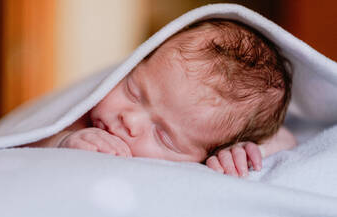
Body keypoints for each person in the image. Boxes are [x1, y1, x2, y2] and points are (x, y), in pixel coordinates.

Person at [27, 19, 297, 177]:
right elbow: (27, 138)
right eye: (133, 91)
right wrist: (63, 140)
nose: (129, 120)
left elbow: (286, 140)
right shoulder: (83, 119)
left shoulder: (215, 153)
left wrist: (244, 153)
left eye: (164, 136)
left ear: (209, 153)